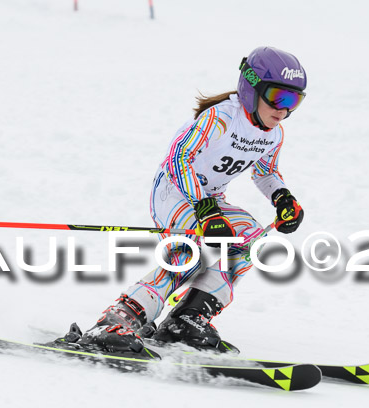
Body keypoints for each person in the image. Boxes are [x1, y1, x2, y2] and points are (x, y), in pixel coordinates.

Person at [56, 46, 307, 355]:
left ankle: (188, 319)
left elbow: (266, 172)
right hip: (174, 193)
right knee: (189, 256)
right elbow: (179, 159)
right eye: (278, 98)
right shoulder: (220, 118)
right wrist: (205, 210)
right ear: (251, 88)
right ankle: (116, 321)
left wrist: (283, 198)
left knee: (250, 241)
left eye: (294, 101)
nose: (284, 110)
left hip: (210, 200)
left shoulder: (274, 134)